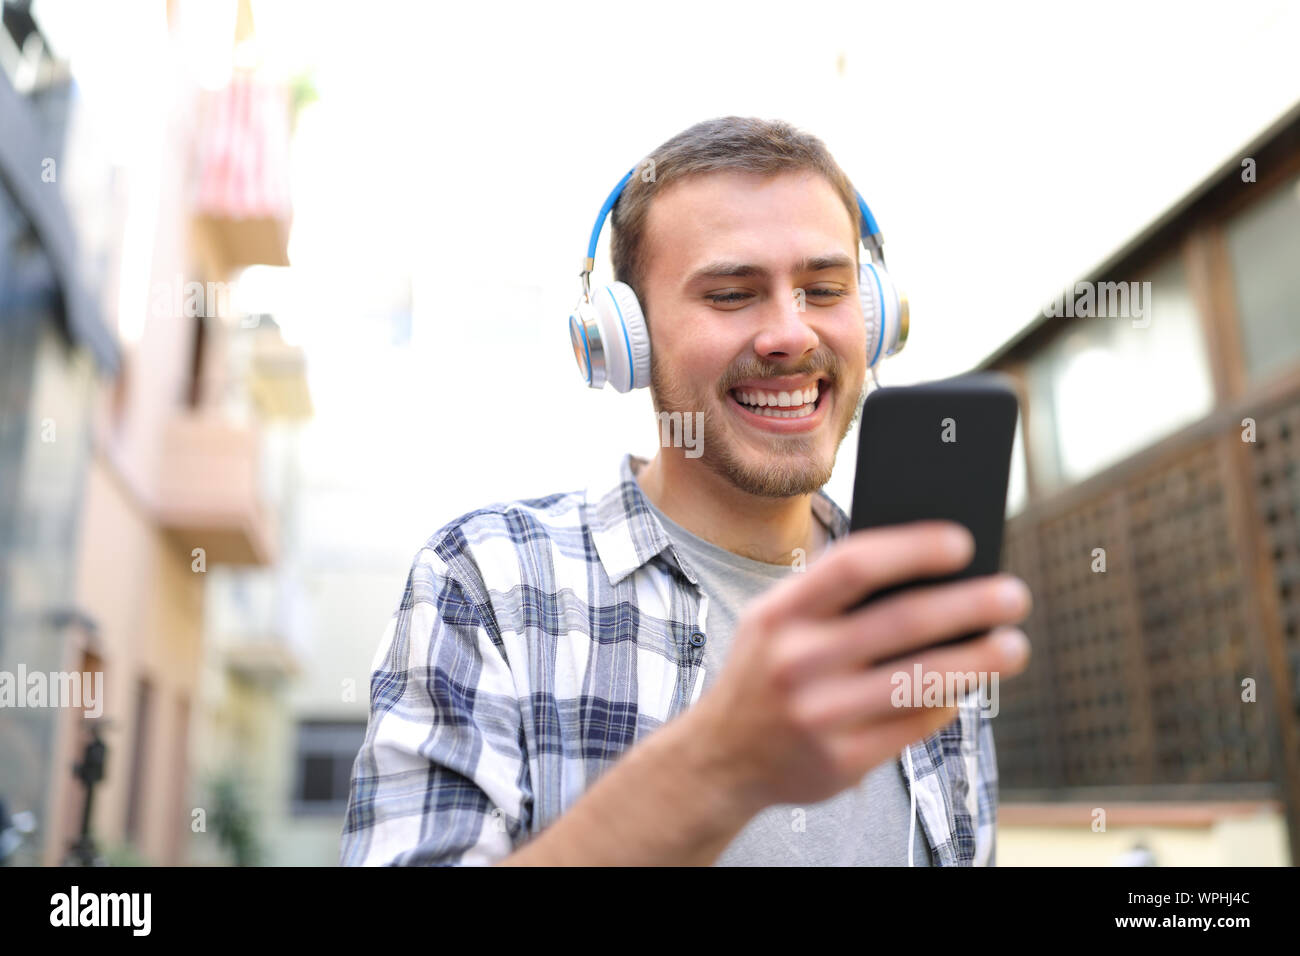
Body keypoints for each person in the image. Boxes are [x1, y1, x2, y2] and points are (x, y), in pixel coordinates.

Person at [339, 116, 1032, 866]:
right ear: (623, 342)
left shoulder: (918, 609)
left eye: (824, 288)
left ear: (877, 320)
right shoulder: (490, 584)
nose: (791, 335)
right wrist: (721, 763)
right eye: (732, 295)